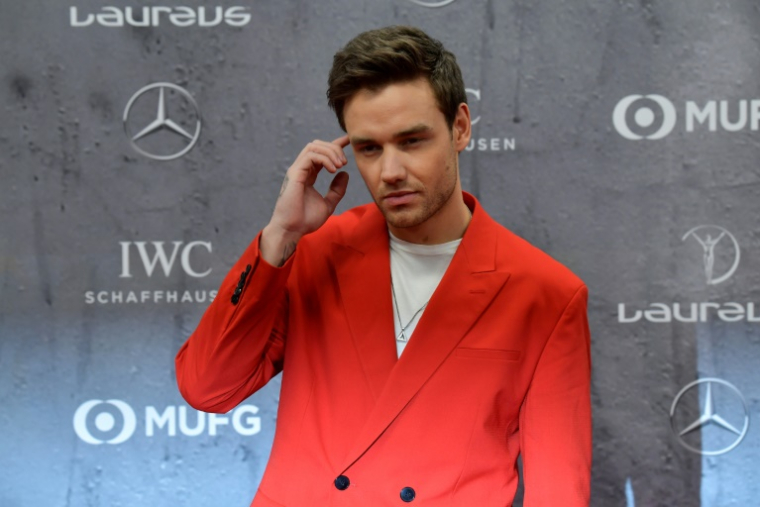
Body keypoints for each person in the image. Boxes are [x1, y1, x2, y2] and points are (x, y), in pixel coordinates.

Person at [175, 25, 591, 507]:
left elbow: (558, 490)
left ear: (460, 127)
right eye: (369, 148)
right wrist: (279, 238)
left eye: (412, 141)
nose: (390, 171)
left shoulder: (546, 293)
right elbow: (207, 388)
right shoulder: (314, 251)